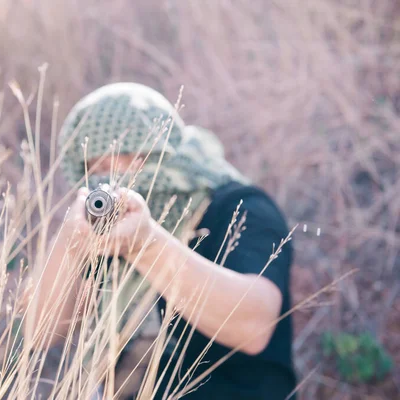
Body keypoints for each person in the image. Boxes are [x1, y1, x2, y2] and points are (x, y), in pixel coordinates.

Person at [29, 82, 297, 399]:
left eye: (129, 157)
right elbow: (42, 331)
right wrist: (71, 243)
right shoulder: (110, 226)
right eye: (96, 168)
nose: (111, 178)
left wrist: (147, 244)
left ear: (162, 152)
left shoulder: (239, 208)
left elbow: (253, 326)